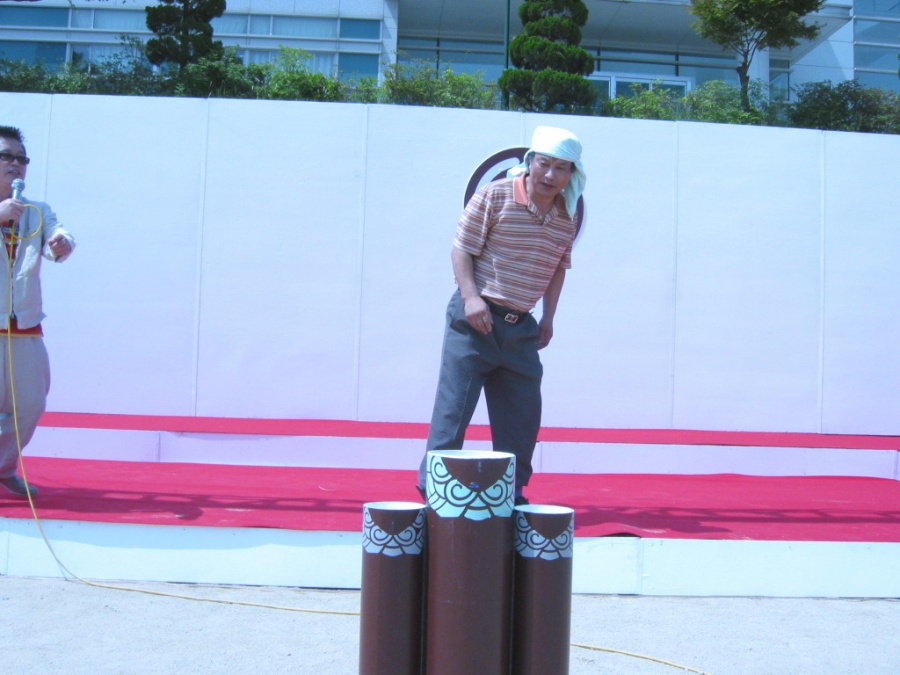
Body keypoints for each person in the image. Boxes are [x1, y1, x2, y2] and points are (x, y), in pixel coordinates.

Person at [417, 126, 586, 505]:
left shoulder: (565, 215)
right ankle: (434, 495)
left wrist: (548, 318)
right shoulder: (494, 195)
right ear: (530, 162)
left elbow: (558, 269)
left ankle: (511, 493)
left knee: (522, 415)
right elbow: (461, 250)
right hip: (475, 319)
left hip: (521, 327)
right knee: (454, 409)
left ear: (571, 174)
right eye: (544, 164)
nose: (550, 175)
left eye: (561, 168)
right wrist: (471, 298)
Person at [0, 125, 75, 498]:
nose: (16, 164)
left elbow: (57, 236)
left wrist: (62, 244)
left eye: (21, 158)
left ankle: (3, 467)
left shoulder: (35, 210)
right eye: (7, 156)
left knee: (30, 403)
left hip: (23, 324)